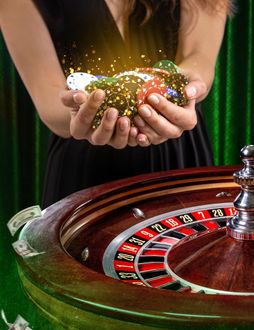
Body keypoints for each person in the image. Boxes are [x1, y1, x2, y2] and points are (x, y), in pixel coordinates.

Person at [0, 0, 232, 207]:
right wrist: (86, 110)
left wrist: (185, 87)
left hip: (179, 152)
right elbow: (51, 102)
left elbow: (198, 59)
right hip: (83, 170)